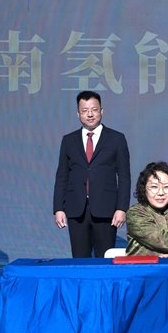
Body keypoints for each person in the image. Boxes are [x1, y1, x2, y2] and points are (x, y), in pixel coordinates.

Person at [53, 91, 131, 258]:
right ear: (78, 114)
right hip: (76, 210)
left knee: (105, 260)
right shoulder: (69, 140)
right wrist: (58, 208)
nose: (90, 114)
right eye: (85, 110)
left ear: (101, 111)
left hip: (106, 210)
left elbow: (124, 177)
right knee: (79, 259)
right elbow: (62, 176)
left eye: (94, 110)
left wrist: (121, 208)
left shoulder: (116, 139)